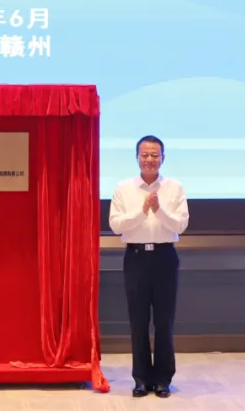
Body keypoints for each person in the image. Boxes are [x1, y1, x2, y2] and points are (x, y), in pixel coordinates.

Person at [108, 135, 189, 399]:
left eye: (155, 155)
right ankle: (141, 379)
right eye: (145, 155)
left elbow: (180, 225)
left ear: (163, 158)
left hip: (165, 257)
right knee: (138, 321)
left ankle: (163, 379)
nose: (150, 159)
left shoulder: (175, 187)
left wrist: (159, 210)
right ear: (137, 157)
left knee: (164, 322)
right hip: (136, 258)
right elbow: (116, 225)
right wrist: (142, 211)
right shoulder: (124, 188)